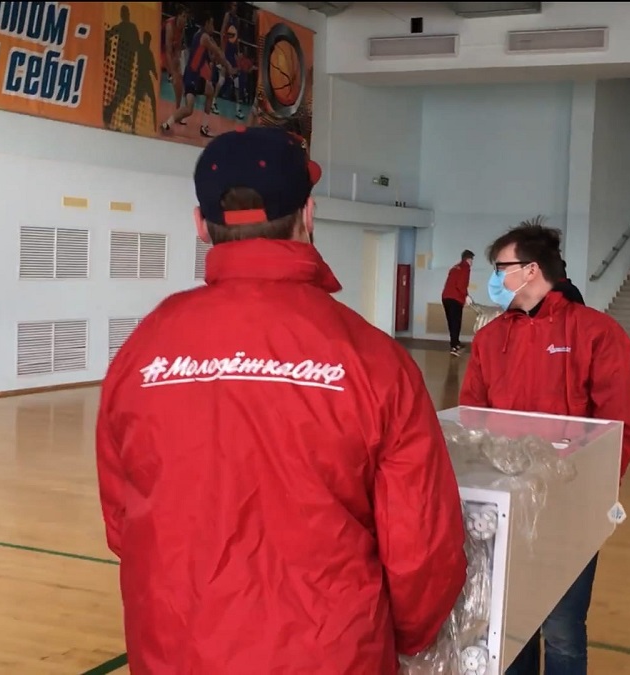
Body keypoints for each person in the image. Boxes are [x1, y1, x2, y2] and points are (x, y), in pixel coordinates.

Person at [96, 126, 468, 675]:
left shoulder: (142, 351)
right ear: (308, 216)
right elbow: (421, 551)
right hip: (331, 657)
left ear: (200, 225)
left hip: (173, 651)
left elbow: (123, 523)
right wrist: (402, 638)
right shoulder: (373, 360)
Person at [459, 219, 630, 675]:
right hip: (504, 509)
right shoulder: (490, 339)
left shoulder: (596, 333)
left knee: (562, 630)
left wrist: (583, 497)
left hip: (567, 508)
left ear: (531, 269)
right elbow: (471, 423)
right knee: (509, 626)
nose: (495, 279)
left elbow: (618, 431)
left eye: (501, 268)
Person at [161, 8, 232, 138]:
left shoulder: (201, 35)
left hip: (195, 76)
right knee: (189, 109)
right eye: (212, 24)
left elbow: (212, 54)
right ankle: (167, 124)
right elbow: (217, 52)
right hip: (191, 77)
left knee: (210, 91)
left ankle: (204, 127)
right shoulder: (204, 37)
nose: (213, 27)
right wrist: (228, 65)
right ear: (207, 24)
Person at [441, 249, 475, 356]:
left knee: (451, 322)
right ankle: (454, 347)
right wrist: (466, 296)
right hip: (455, 298)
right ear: (468, 259)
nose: (472, 262)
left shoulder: (455, 267)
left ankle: (455, 343)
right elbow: (461, 285)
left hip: (446, 297)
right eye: (472, 260)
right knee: (456, 322)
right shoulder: (465, 268)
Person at [161, 4, 189, 116]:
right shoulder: (170, 26)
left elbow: (177, 48)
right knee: (174, 77)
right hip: (159, 49)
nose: (185, 19)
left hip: (169, 52)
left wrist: (177, 62)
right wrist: (171, 72)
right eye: (183, 16)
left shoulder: (182, 29)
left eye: (186, 17)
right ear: (178, 16)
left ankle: (178, 109)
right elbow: (168, 50)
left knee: (179, 81)